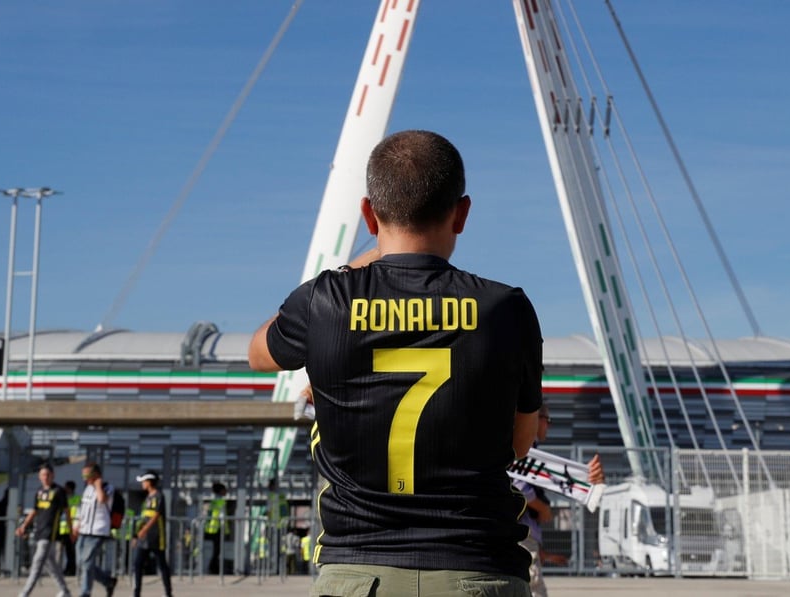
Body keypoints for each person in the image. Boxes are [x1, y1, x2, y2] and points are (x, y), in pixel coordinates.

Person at [248, 129, 542, 595]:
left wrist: (357, 270)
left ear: (369, 212)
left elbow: (258, 354)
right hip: (477, 567)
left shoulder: (325, 303)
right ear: (462, 213)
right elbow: (521, 442)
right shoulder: (505, 308)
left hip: (358, 572)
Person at [513, 405, 605, 597]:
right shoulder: (523, 446)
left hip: (524, 536)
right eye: (548, 420)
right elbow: (520, 487)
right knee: (534, 591)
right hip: (522, 534)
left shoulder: (526, 449)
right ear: (536, 417)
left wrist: (584, 477)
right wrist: (543, 508)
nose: (549, 426)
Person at [16, 464, 72, 597]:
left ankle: (25, 593)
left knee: (37, 562)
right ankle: (65, 591)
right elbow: (34, 511)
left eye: (47, 475)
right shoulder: (39, 491)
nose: (45, 478)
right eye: (42, 475)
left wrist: (71, 530)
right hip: (39, 531)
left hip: (50, 532)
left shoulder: (58, 491)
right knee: (50, 563)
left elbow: (66, 511)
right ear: (39, 477)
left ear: (52, 475)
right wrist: (23, 526)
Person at [72, 462, 117, 597]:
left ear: (96, 475)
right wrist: (77, 524)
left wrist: (98, 485)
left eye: (88, 475)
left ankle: (85, 592)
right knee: (81, 562)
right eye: (83, 476)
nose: (85, 479)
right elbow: (83, 508)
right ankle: (107, 581)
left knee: (87, 562)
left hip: (98, 531)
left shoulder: (107, 487)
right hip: (84, 530)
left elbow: (103, 499)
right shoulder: (87, 489)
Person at [130, 471, 173, 597]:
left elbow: (156, 515)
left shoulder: (159, 496)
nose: (142, 484)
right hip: (144, 539)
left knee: (162, 565)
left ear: (149, 482)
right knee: (137, 564)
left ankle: (168, 593)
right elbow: (144, 518)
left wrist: (144, 530)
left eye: (144, 481)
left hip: (156, 536)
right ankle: (136, 593)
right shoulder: (147, 498)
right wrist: (136, 535)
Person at [203, 482, 227, 575]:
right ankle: (213, 569)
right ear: (221, 491)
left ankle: (212, 568)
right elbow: (222, 516)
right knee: (217, 551)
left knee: (213, 551)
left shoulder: (212, 501)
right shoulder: (221, 501)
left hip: (210, 528)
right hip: (217, 529)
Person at [60, 481, 79, 576]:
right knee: (66, 551)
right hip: (63, 529)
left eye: (66, 488)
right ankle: (66, 569)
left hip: (72, 529)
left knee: (72, 551)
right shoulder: (63, 499)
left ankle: (72, 569)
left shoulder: (77, 499)